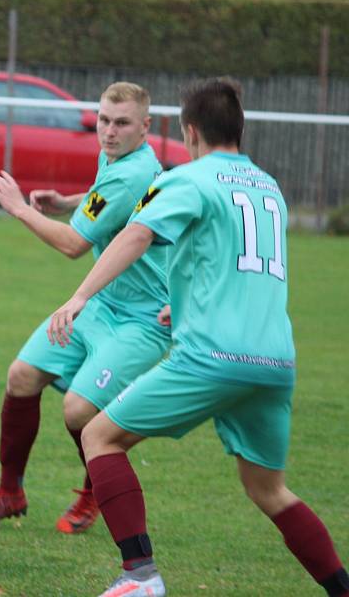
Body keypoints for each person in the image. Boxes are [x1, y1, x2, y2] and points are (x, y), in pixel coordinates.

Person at [48, 78, 348, 597]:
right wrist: (180, 302)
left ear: (189, 131)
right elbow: (236, 265)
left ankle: (140, 577)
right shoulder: (268, 186)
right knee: (268, 489)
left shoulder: (186, 179)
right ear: (241, 128)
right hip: (275, 362)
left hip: (211, 358)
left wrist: (78, 298)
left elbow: (136, 234)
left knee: (99, 436)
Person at [0, 82, 170, 534]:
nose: (108, 131)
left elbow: (74, 244)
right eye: (103, 119)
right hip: (104, 301)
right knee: (21, 376)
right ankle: (10, 492)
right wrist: (70, 203)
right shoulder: (116, 158)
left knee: (80, 411)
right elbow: (108, 207)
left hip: (143, 319)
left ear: (145, 127)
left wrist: (19, 209)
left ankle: (94, 494)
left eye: (121, 123)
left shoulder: (134, 171)